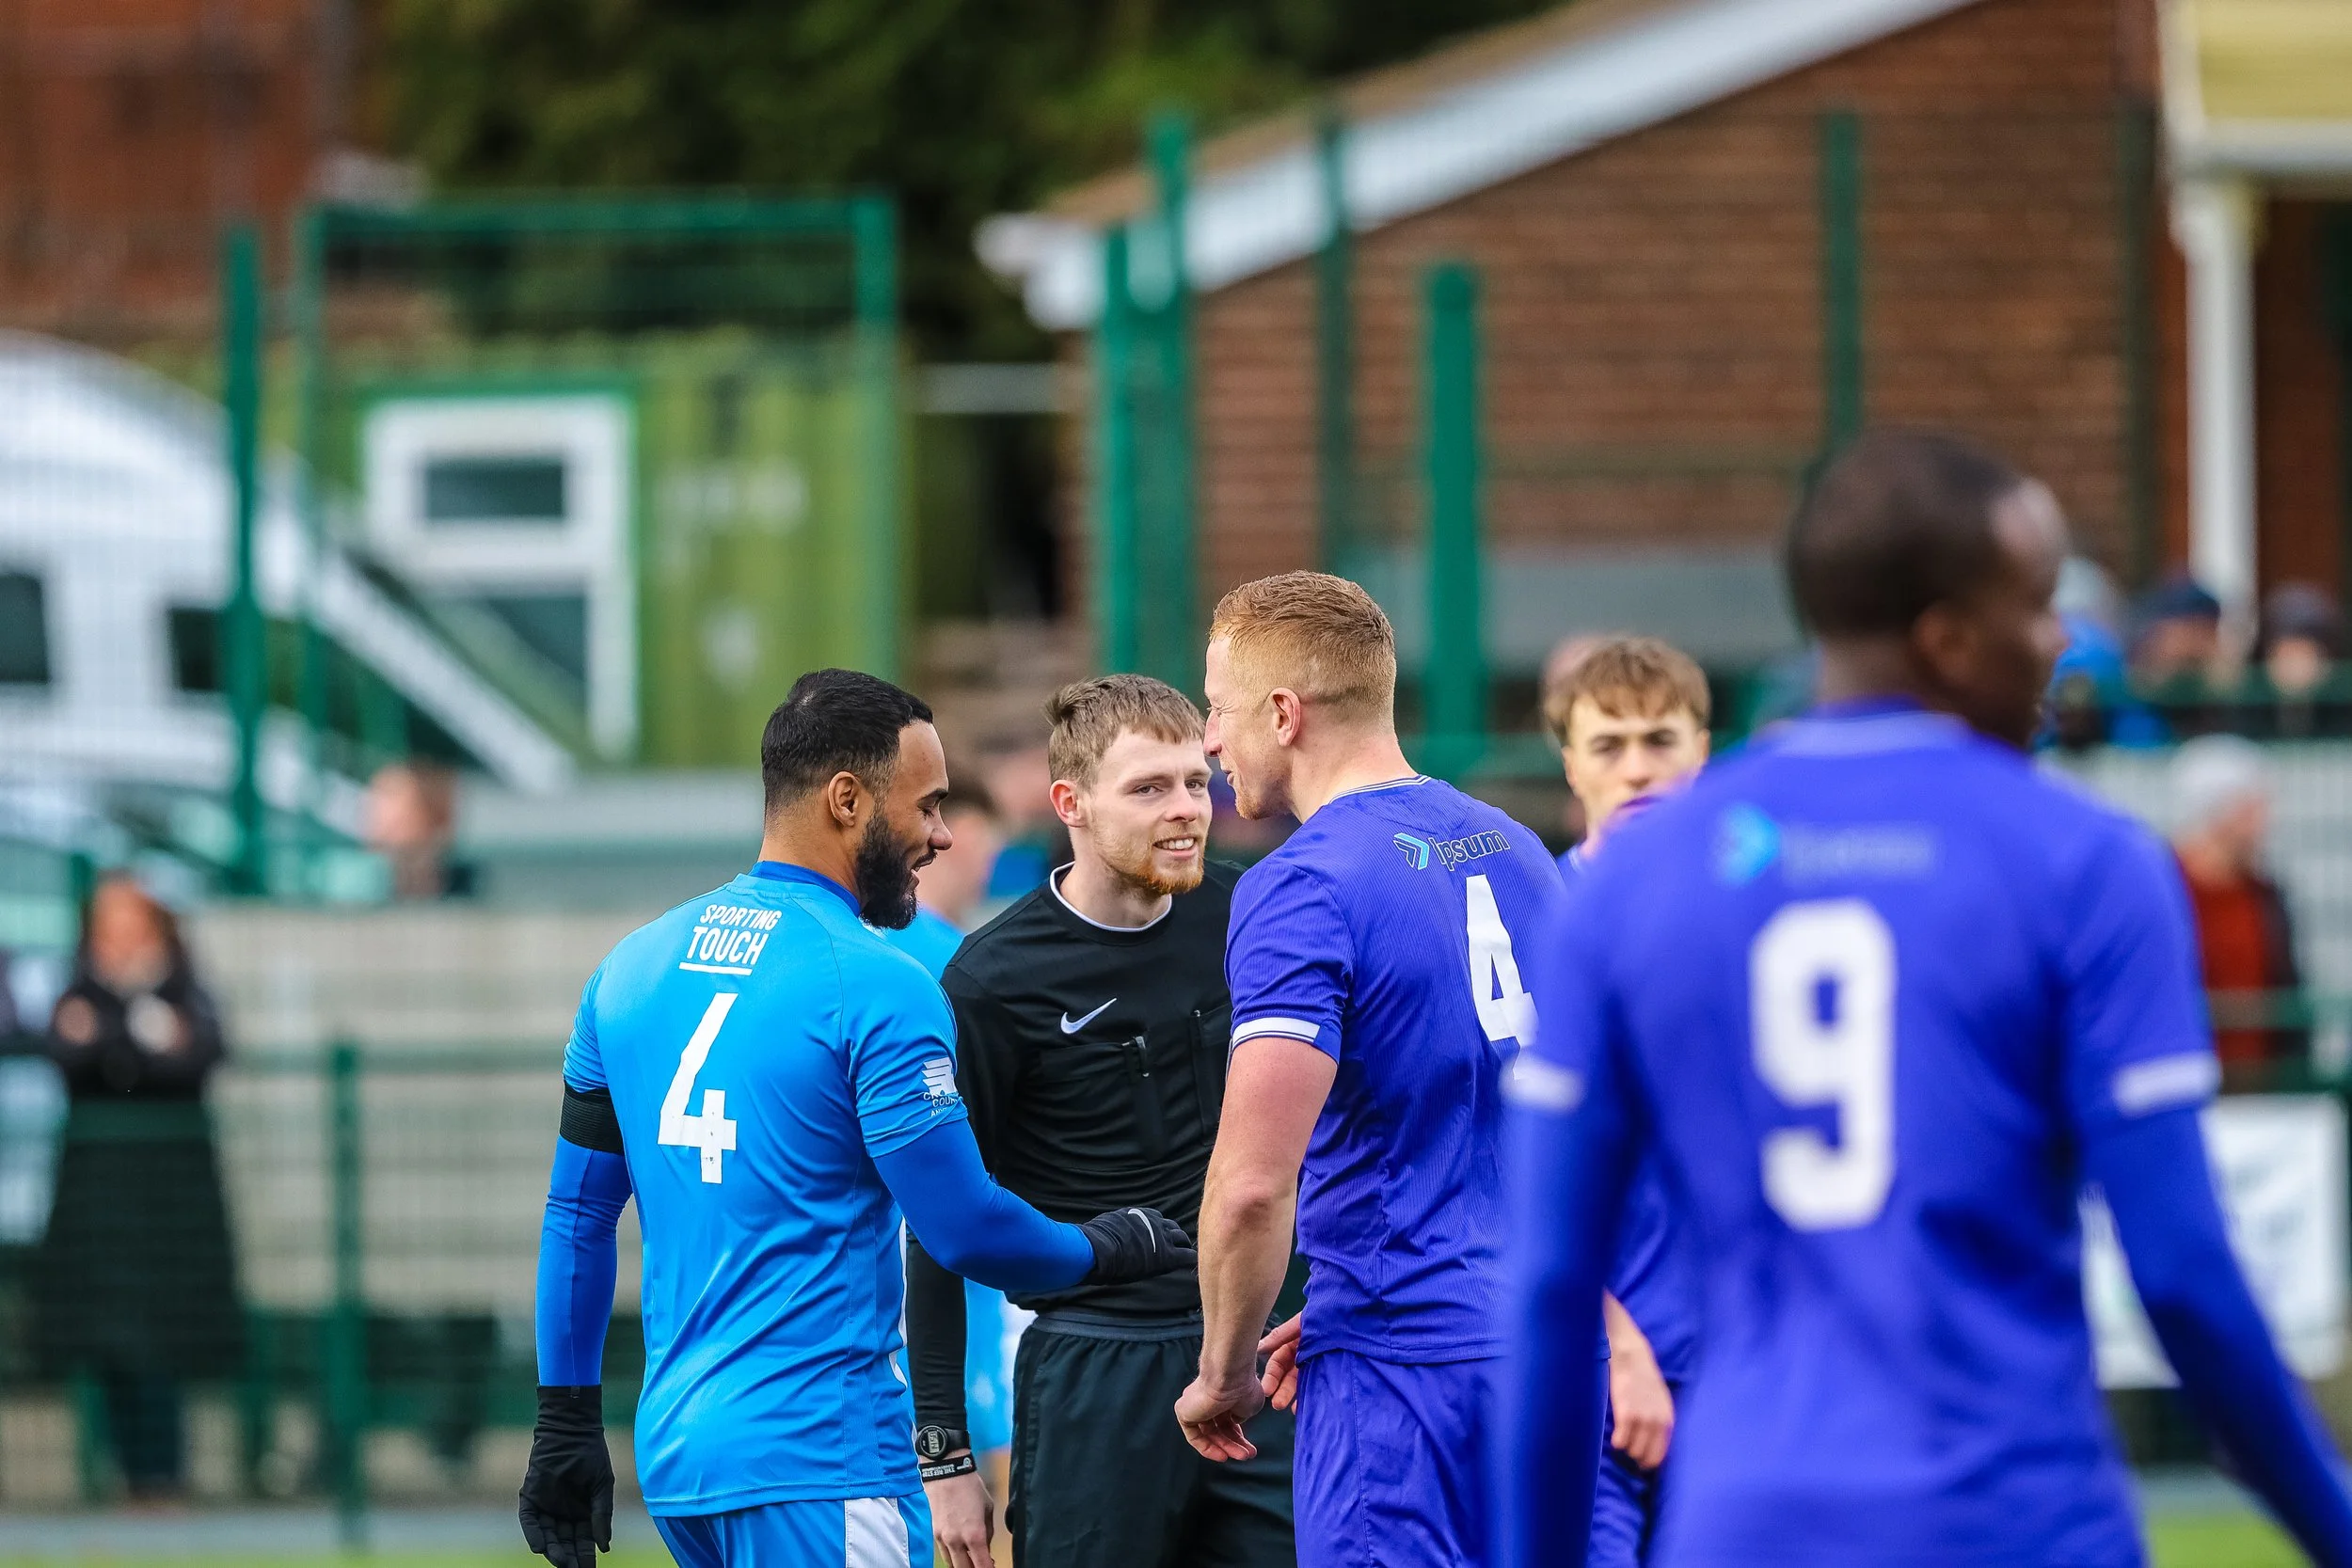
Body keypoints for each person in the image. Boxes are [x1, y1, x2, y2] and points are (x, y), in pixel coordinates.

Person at [1498, 429, 2352, 1568]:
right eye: (2041, 606)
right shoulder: (2085, 861)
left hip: (1748, 1520)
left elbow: (1548, 1283)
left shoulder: (1633, 885)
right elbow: (2185, 1277)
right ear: (1949, 639)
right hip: (2016, 1515)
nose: (2063, 644)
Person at [518, 668, 1197, 1568]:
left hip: (681, 1460)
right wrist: (1119, 1244)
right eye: (926, 805)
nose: (943, 835)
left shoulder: (631, 967)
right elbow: (965, 1229)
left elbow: (577, 1214)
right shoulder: (878, 982)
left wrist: (564, 1417)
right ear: (847, 800)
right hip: (824, 1458)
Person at [1174, 573, 1561, 1568]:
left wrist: (1222, 1368)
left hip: (1405, 1374)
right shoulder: (1521, 849)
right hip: (1552, 1349)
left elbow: (1255, 1184)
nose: (1210, 743)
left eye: (1216, 711)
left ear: (1283, 713)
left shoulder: (1301, 885)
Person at [908, 673, 1295, 1568]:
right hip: (1096, 1371)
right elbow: (938, 1225)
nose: (1187, 809)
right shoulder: (992, 981)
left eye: (1197, 782)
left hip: (1262, 1357)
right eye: (1149, 788)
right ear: (1070, 803)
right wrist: (946, 1454)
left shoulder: (1251, 914)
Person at [1543, 636, 1713, 1563]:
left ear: (1704, 750)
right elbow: (1495, 1176)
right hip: (1588, 1378)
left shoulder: (1769, 926)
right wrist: (1616, 1342)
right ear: (1569, 762)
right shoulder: (1532, 931)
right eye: (1608, 744)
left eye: (1661, 739)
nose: (1638, 766)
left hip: (1747, 1381)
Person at [35, 874, 242, 1499]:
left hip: (167, 1199)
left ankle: (162, 1476)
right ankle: (126, 1474)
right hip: (98, 1199)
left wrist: (115, 1038)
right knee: (106, 1341)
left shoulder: (185, 992)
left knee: (162, 1341)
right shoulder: (77, 988)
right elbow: (67, 1052)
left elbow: (193, 1053)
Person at [2169, 736, 2306, 1077]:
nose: (2265, 822)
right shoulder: (2167, 888)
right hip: (2194, 1080)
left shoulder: (2265, 894)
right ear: (2219, 812)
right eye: (2252, 809)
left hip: (2261, 1094)